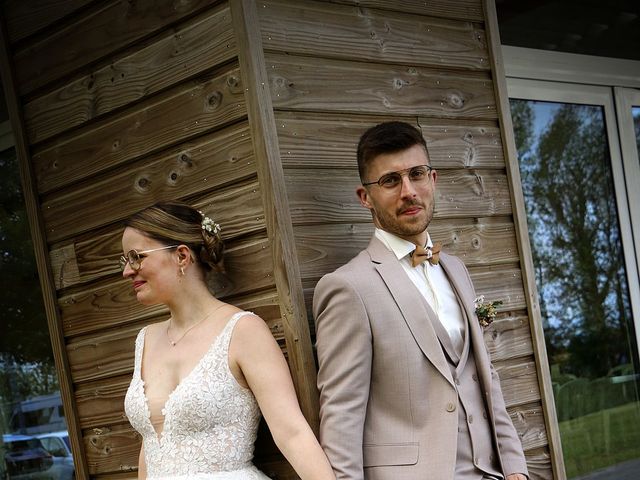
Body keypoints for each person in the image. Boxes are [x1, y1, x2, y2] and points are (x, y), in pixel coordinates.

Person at [313, 121, 529, 480]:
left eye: (417, 174)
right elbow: (341, 417)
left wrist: (516, 469)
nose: (408, 191)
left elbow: (484, 377)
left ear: (434, 179)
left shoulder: (457, 270)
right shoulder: (347, 288)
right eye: (390, 181)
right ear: (365, 197)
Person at [121, 201, 335, 480]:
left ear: (182, 256)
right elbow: (151, 444)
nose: (127, 271)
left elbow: (292, 434)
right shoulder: (145, 340)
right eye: (124, 260)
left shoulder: (243, 331)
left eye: (136, 257)